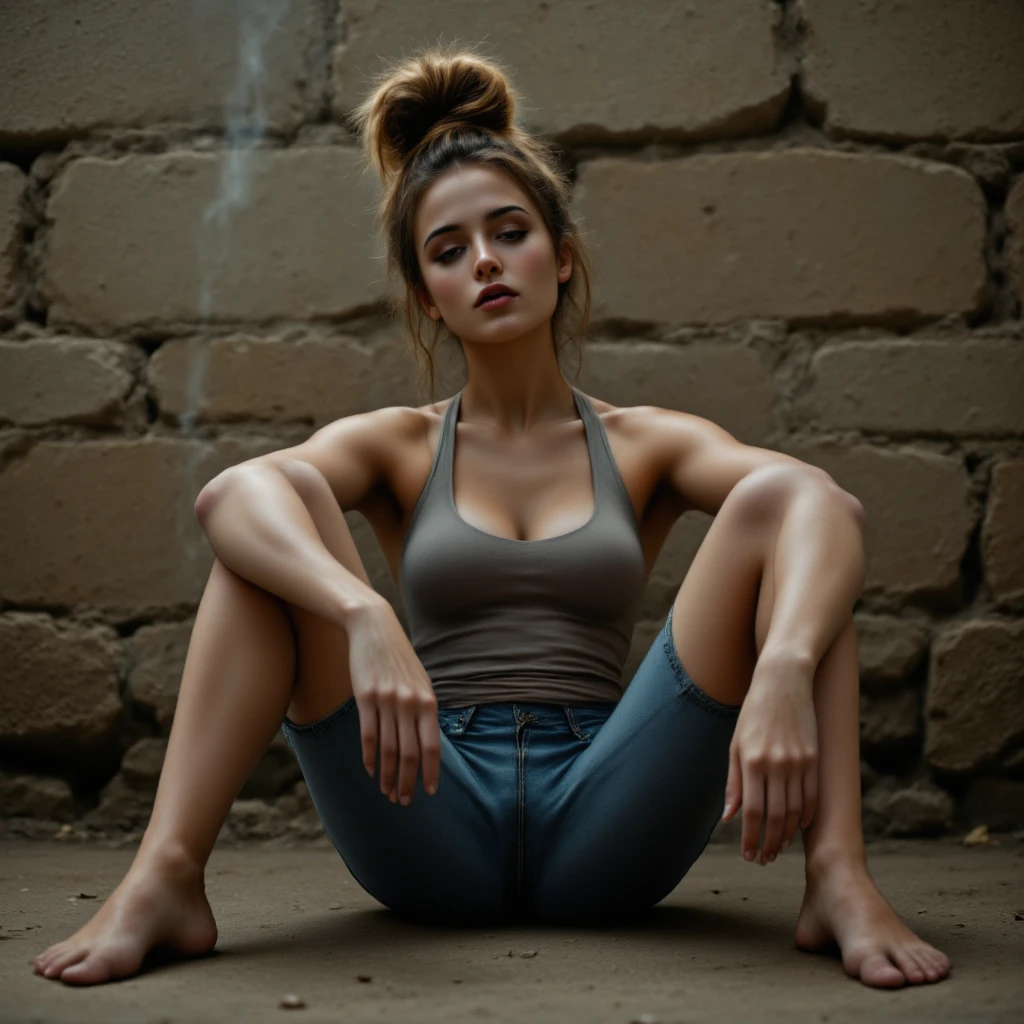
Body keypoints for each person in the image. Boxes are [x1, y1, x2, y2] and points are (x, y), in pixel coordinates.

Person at [32, 44, 950, 990]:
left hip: (612, 811)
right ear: (428, 297)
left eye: (509, 232)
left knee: (791, 511)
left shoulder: (644, 445)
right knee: (271, 527)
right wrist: (363, 613)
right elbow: (233, 497)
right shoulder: (398, 446)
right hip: (427, 808)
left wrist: (785, 667)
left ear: (560, 253)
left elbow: (822, 506)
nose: (484, 262)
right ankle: (167, 878)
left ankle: (838, 876)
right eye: (447, 250)